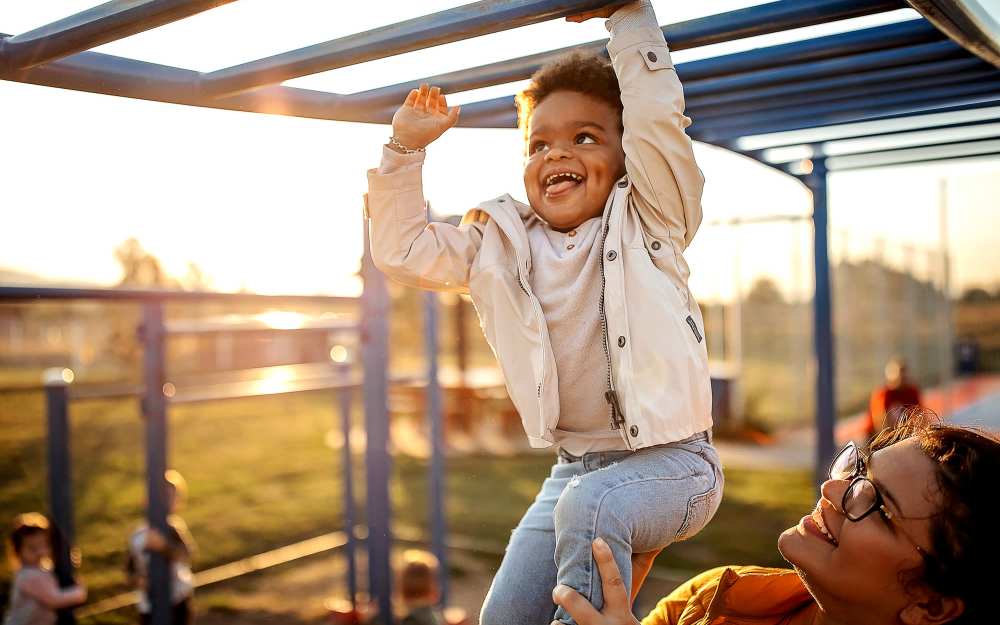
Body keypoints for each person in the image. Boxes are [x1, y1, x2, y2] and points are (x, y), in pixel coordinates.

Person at [366, 1, 722, 624]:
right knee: (501, 617)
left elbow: (658, 122)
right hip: (573, 471)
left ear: (624, 158)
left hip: (676, 465)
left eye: (585, 138)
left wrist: (629, 19)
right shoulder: (499, 242)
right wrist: (403, 150)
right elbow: (403, 251)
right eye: (539, 144)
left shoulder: (650, 218)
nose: (557, 154)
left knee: (591, 506)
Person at [553, 412, 999, 625]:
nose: (831, 490)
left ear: (931, 605)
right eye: (857, 469)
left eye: (875, 503)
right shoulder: (718, 597)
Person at [126, 469, 196, 625]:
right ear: (146, 500)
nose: (165, 502)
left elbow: (186, 555)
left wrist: (164, 547)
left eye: (171, 497)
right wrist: (139, 581)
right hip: (149, 605)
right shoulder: (138, 535)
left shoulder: (174, 528)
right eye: (161, 497)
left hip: (177, 599)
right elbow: (130, 569)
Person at [3, 513, 86, 625]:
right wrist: (79, 593)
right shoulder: (28, 576)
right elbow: (55, 600)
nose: (40, 552)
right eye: (32, 548)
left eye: (44, 545)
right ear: (18, 551)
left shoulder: (40, 570)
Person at [865, 357, 922, 437]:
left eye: (904, 374)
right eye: (899, 374)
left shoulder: (912, 392)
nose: (902, 378)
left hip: (902, 433)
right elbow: (880, 422)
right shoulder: (883, 394)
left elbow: (920, 416)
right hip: (876, 436)